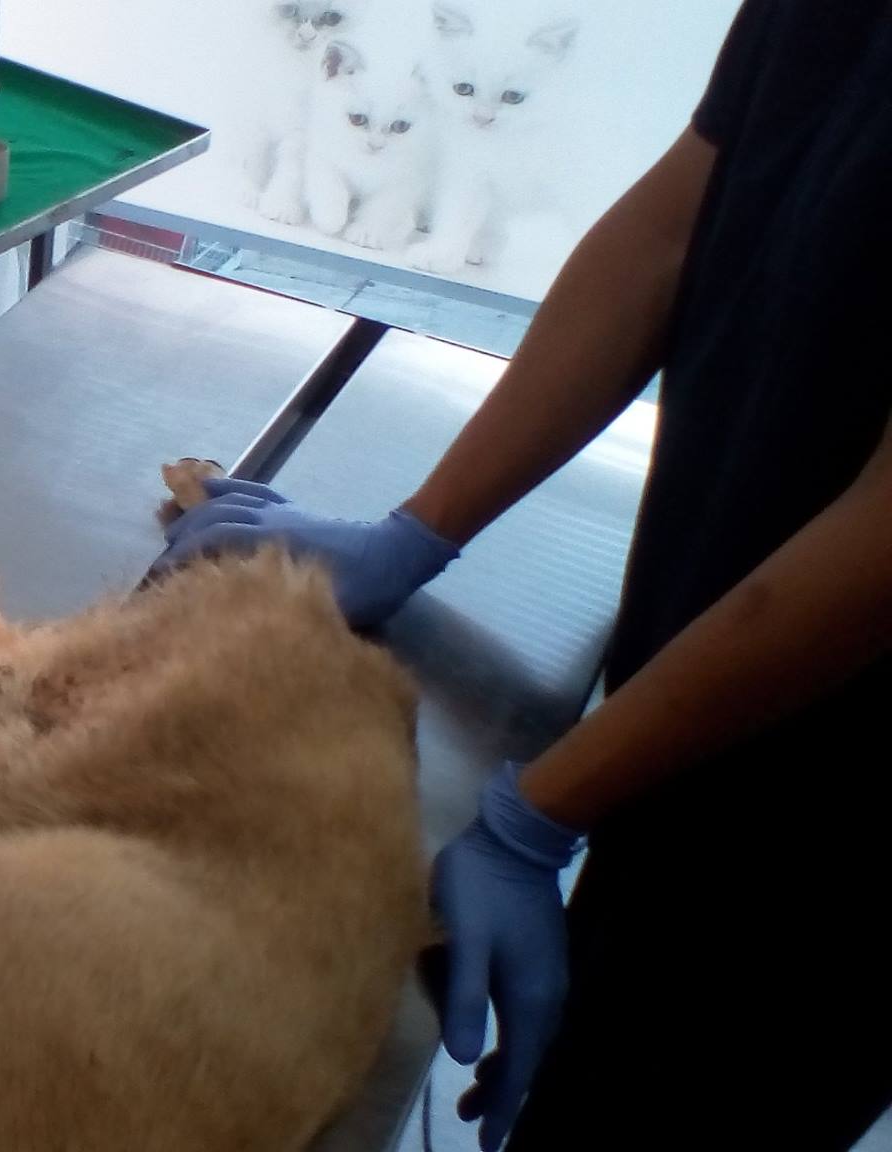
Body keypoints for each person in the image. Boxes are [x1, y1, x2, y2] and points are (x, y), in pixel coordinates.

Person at [155, 2, 892, 1148]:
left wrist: (535, 816)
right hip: (686, 691)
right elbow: (671, 227)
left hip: (842, 832)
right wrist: (416, 531)